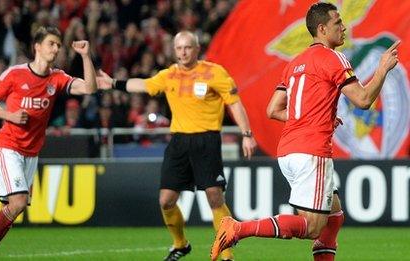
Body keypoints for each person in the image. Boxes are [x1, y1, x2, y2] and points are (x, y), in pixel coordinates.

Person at [211, 2, 399, 261]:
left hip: (288, 151)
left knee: (334, 216)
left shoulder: (295, 62)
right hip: (312, 151)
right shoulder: (333, 58)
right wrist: (382, 68)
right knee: (312, 227)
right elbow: (364, 100)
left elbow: (273, 109)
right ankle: (238, 228)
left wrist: (315, 117)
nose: (344, 27)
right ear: (322, 29)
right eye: (337, 23)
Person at [97, 31, 257, 261]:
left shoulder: (214, 72)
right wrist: (112, 82)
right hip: (179, 142)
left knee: (214, 198)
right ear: (174, 51)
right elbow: (142, 85)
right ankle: (180, 244)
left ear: (197, 49)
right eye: (179, 48)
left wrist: (247, 134)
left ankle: (227, 256)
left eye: (187, 47)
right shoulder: (169, 75)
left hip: (206, 140)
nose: (183, 52)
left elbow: (235, 104)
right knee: (166, 200)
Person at [0, 26, 97, 260]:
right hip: (8, 146)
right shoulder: (14, 74)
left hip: (31, 152)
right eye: (51, 43)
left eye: (58, 45)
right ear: (37, 46)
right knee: (17, 202)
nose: (55, 49)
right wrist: (10, 115)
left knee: (15, 207)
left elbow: (89, 88)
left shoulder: (57, 78)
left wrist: (86, 56)